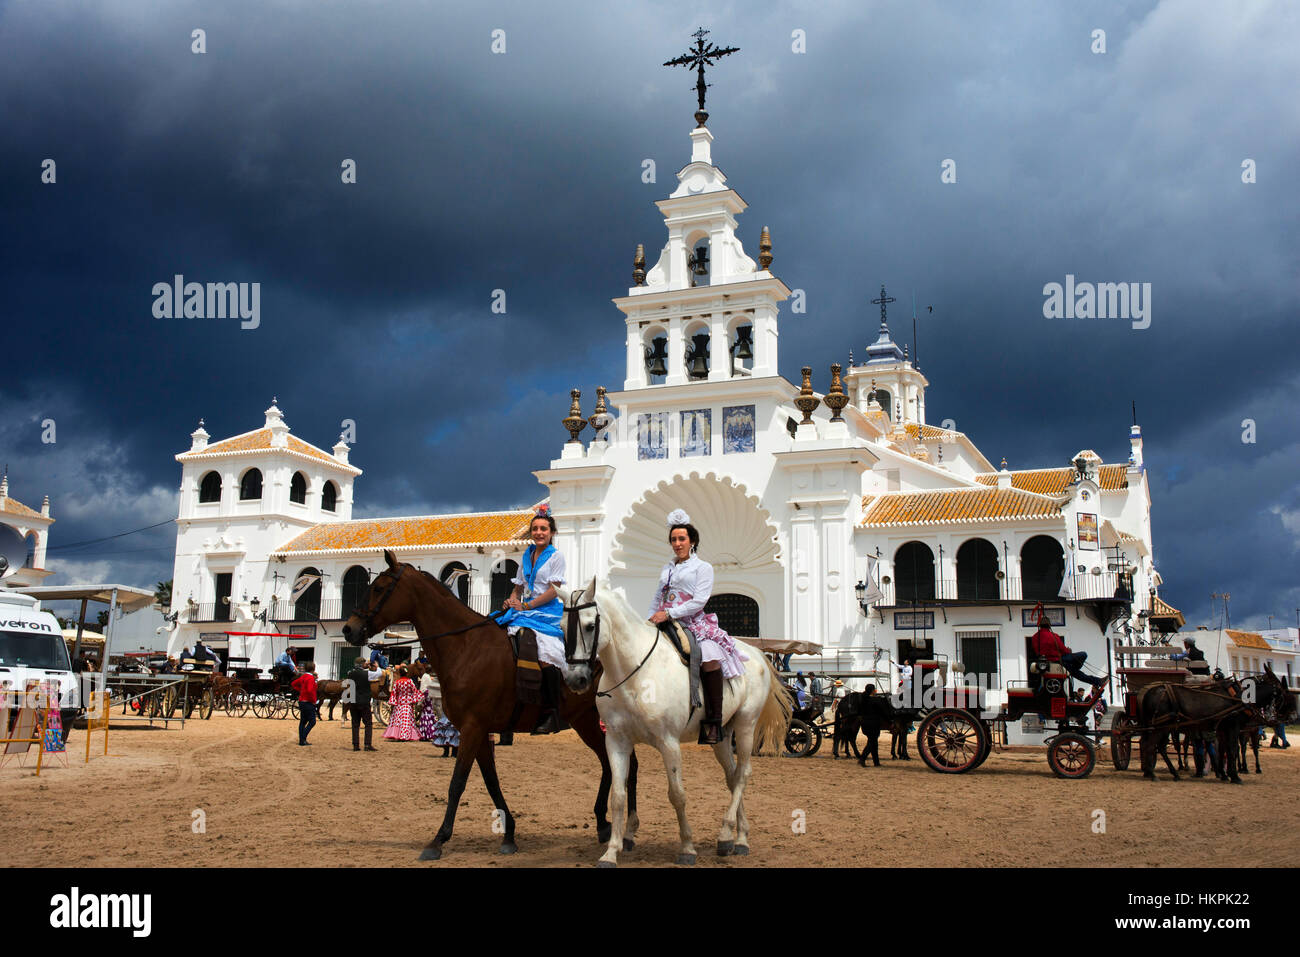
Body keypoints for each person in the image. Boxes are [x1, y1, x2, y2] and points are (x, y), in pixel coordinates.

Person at [648, 508, 749, 745]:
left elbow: (699, 601)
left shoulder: (703, 567)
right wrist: (651, 616)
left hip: (692, 621)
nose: (677, 543)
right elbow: (657, 595)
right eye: (673, 539)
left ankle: (714, 721)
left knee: (709, 656)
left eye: (682, 539)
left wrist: (670, 613)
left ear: (692, 541)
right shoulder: (667, 568)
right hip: (664, 617)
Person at [497, 507, 568, 734]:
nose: (539, 532)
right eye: (535, 529)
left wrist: (527, 605)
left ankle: (552, 710)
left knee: (546, 654)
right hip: (524, 610)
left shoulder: (557, 557)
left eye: (543, 529)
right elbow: (518, 587)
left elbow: (554, 590)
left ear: (551, 532)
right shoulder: (526, 555)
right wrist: (511, 600)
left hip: (546, 612)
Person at [1029, 616, 1105, 688]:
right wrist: (1069, 650)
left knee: (1075, 672)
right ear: (1049, 626)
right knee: (1083, 655)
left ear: (1040, 625)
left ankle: (1097, 681)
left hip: (1046, 661)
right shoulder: (1053, 635)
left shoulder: (1035, 637)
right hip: (1058, 660)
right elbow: (1063, 649)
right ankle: (1096, 680)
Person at [345, 656, 379, 751]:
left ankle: (356, 745)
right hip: (364, 701)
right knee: (368, 723)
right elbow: (379, 674)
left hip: (353, 701)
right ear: (362, 664)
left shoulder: (350, 673)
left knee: (355, 724)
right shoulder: (367, 674)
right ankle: (367, 744)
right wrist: (376, 666)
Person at [383, 665, 421, 741]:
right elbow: (414, 691)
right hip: (407, 704)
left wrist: (393, 702)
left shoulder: (397, 682)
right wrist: (415, 699)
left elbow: (394, 693)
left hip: (399, 703)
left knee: (397, 719)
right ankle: (406, 735)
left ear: (400, 674)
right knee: (406, 720)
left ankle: (396, 734)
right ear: (407, 674)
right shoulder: (410, 681)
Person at [290, 664, 318, 746]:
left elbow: (294, 684)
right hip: (308, 702)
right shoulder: (310, 678)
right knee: (312, 721)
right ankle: (303, 737)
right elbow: (310, 690)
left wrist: (301, 690)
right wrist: (313, 701)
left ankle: (302, 740)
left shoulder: (303, 676)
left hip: (302, 701)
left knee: (303, 721)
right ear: (313, 669)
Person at [417, 670, 440, 742]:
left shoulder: (425, 692)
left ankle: (425, 734)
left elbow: (421, 700)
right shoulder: (431, 690)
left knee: (425, 720)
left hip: (425, 709)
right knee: (430, 720)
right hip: (430, 709)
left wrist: (418, 704)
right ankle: (430, 734)